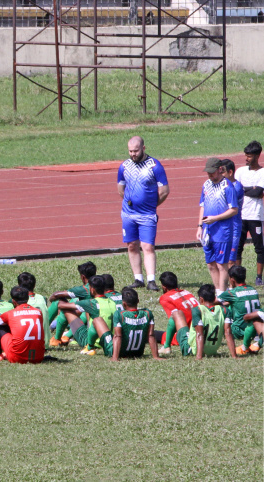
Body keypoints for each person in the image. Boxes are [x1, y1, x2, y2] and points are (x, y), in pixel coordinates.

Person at [117, 135, 169, 291]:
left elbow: (164, 191)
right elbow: (121, 189)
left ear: (143, 148)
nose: (133, 154)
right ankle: (138, 278)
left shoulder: (155, 166)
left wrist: (151, 205)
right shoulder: (124, 166)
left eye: (136, 151)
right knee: (132, 245)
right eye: (130, 151)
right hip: (128, 214)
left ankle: (151, 280)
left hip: (147, 215)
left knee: (147, 246)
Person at [66, 288, 161, 361]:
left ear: (124, 304)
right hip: (138, 353)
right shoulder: (147, 313)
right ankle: (90, 346)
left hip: (119, 352)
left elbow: (117, 336)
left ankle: (89, 347)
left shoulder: (120, 314)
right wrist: (156, 356)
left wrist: (114, 358)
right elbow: (151, 335)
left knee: (97, 320)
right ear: (138, 301)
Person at [153, 284, 236, 360]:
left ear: (201, 299)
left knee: (177, 313)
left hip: (192, 350)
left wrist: (199, 357)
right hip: (213, 351)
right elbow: (228, 333)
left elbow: (200, 334)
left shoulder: (198, 310)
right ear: (214, 298)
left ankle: (166, 346)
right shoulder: (224, 310)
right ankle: (167, 346)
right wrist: (234, 356)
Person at [198, 157, 239, 293]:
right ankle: (217, 291)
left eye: (212, 172)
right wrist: (199, 226)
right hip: (207, 230)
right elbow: (202, 206)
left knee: (222, 264)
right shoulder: (206, 185)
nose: (210, 175)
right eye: (208, 172)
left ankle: (222, 293)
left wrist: (215, 218)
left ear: (220, 170)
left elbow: (234, 210)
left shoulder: (228, 187)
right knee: (210, 264)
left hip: (222, 231)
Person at [53, 275, 117, 355]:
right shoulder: (112, 302)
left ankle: (57, 339)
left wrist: (61, 300)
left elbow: (61, 306)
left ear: (92, 289)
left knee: (66, 309)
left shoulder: (92, 303)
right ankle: (66, 335)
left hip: (94, 341)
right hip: (109, 340)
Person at [0, 286, 45, 363]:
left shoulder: (10, 313)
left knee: (0, 327)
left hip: (17, 358)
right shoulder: (38, 312)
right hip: (39, 357)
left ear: (13, 301)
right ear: (27, 299)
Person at [47, 261, 96, 346]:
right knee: (79, 304)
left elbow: (56, 295)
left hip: (83, 328)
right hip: (94, 326)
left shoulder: (84, 289)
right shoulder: (101, 285)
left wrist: (51, 299)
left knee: (61, 304)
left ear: (83, 277)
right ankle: (64, 334)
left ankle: (56, 337)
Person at [235, 141, 264, 285]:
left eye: (250, 156)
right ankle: (237, 275)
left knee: (259, 247)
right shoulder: (240, 171)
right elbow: (236, 189)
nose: (247, 158)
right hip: (240, 216)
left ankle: (259, 277)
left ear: (258, 156)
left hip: (255, 215)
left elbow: (258, 191)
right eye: (246, 156)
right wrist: (251, 189)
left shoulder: (262, 172)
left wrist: (245, 189)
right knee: (238, 247)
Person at [218, 266, 262, 355]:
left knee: (221, 308)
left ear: (232, 279)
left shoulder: (232, 293)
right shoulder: (253, 289)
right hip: (256, 328)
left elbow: (211, 301)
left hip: (238, 330)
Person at [156, 271, 200, 355]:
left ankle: (166, 346)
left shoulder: (165, 297)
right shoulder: (187, 292)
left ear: (164, 287)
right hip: (201, 330)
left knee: (151, 334)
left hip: (187, 333)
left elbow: (174, 319)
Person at [220, 159, 244, 267]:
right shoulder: (223, 185)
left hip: (233, 226)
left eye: (222, 172)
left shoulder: (236, 187)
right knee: (221, 257)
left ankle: (232, 283)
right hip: (224, 226)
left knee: (230, 259)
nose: (220, 175)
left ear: (230, 172)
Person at [18, 271, 50, 348]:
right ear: (34, 285)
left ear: (19, 286)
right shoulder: (43, 298)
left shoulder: (19, 300)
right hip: (44, 344)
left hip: (26, 345)